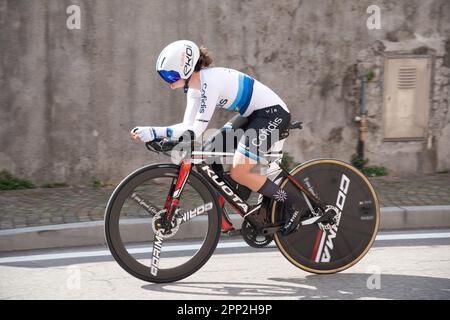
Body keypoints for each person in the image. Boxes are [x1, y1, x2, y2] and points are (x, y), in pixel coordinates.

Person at [131, 40, 306, 235]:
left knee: (239, 171)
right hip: (253, 114)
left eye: (171, 75)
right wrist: (153, 131)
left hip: (272, 114)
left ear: (186, 69)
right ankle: (231, 203)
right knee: (208, 154)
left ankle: (295, 202)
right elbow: (186, 126)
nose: (169, 81)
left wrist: (158, 134)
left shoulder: (209, 82)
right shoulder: (194, 90)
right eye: (165, 76)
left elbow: (196, 129)